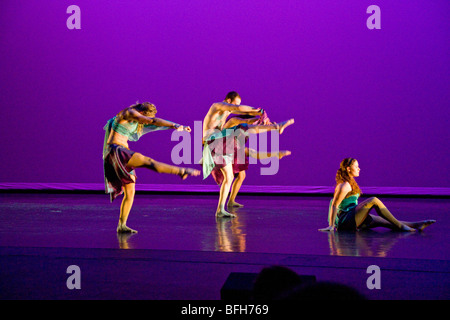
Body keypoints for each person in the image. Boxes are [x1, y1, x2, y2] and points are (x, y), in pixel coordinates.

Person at [103, 101, 200, 233]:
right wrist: (175, 125)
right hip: (116, 151)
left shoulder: (135, 117)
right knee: (148, 162)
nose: (145, 123)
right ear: (142, 113)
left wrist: (177, 127)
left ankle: (121, 225)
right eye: (146, 118)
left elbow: (154, 124)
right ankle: (180, 171)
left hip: (122, 152)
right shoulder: (129, 113)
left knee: (130, 193)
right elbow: (152, 121)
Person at [202, 91, 294, 218]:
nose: (237, 106)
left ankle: (220, 210)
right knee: (243, 131)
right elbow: (238, 109)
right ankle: (277, 127)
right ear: (228, 100)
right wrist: (259, 111)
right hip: (212, 142)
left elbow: (243, 114)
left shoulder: (228, 117)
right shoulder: (217, 106)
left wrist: (260, 118)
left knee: (229, 178)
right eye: (235, 103)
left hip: (219, 145)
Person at [319, 158, 435, 232]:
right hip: (346, 221)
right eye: (356, 166)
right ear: (349, 169)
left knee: (383, 220)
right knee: (373, 200)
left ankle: (416, 225)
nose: (359, 168)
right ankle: (401, 226)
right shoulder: (344, 185)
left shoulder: (350, 183)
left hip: (352, 217)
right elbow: (334, 205)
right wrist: (331, 225)